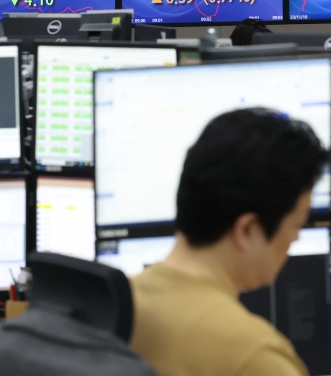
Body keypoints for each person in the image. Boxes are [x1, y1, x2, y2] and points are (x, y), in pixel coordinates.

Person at [130, 108, 327, 376]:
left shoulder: (116, 304)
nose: (296, 237)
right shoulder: (256, 358)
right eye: (296, 224)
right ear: (246, 230)